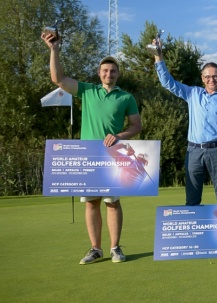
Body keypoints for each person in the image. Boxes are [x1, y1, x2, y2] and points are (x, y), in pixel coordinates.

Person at [42, 33, 143, 264]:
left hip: (113, 156)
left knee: (112, 202)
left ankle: (115, 248)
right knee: (91, 202)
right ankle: (95, 249)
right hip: (88, 155)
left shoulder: (126, 97)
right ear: (99, 73)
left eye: (113, 71)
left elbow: (136, 126)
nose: (109, 74)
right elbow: (58, 79)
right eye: (105, 71)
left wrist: (118, 136)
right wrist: (54, 49)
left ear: (118, 74)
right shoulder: (87, 90)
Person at [153, 38, 217, 206]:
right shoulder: (192, 93)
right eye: (207, 76)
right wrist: (158, 56)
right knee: (192, 200)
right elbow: (167, 83)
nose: (211, 79)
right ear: (202, 78)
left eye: (215, 76)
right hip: (193, 151)